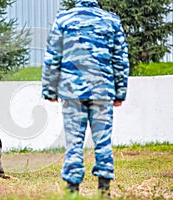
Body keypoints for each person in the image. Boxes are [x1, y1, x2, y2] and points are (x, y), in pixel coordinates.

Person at [42, 0, 129, 196]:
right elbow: (120, 59)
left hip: (72, 91)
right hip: (102, 91)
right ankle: (104, 190)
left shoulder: (63, 19)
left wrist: (50, 90)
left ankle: (72, 191)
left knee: (74, 142)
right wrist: (120, 92)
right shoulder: (111, 21)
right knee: (103, 141)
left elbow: (53, 56)